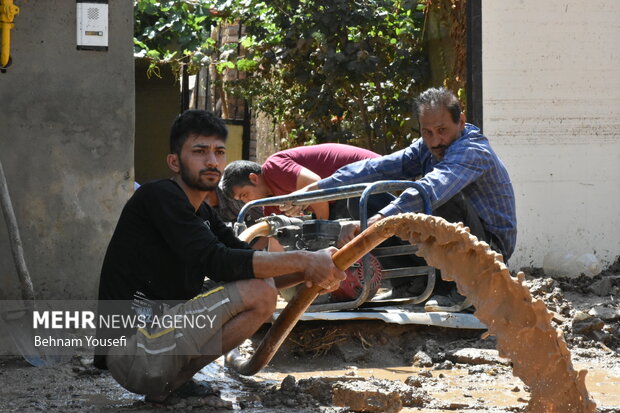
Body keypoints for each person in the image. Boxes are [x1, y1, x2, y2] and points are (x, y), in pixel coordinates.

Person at [94, 110, 346, 406]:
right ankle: (170, 385)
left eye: (219, 152)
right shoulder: (159, 196)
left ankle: (171, 385)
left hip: (158, 345)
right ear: (174, 162)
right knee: (260, 293)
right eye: (199, 152)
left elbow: (242, 260)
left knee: (259, 287)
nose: (212, 161)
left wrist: (312, 271)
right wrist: (305, 259)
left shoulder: (201, 212)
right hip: (133, 352)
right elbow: (219, 261)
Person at [290, 87, 517, 311]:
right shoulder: (426, 148)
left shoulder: (472, 150)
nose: (436, 140)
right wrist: (317, 188)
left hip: (488, 253)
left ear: (461, 122)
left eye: (442, 130)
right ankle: (410, 283)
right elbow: (378, 168)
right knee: (363, 200)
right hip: (448, 242)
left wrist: (375, 222)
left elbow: (430, 189)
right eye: (427, 132)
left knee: (442, 197)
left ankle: (459, 290)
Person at [220, 143, 380, 220]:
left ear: (253, 178)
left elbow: (316, 185)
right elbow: (275, 240)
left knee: (332, 235)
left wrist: (321, 229)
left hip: (369, 173)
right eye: (242, 200)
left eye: (245, 194)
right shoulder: (270, 204)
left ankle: (403, 283)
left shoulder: (274, 167)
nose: (248, 201)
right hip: (344, 193)